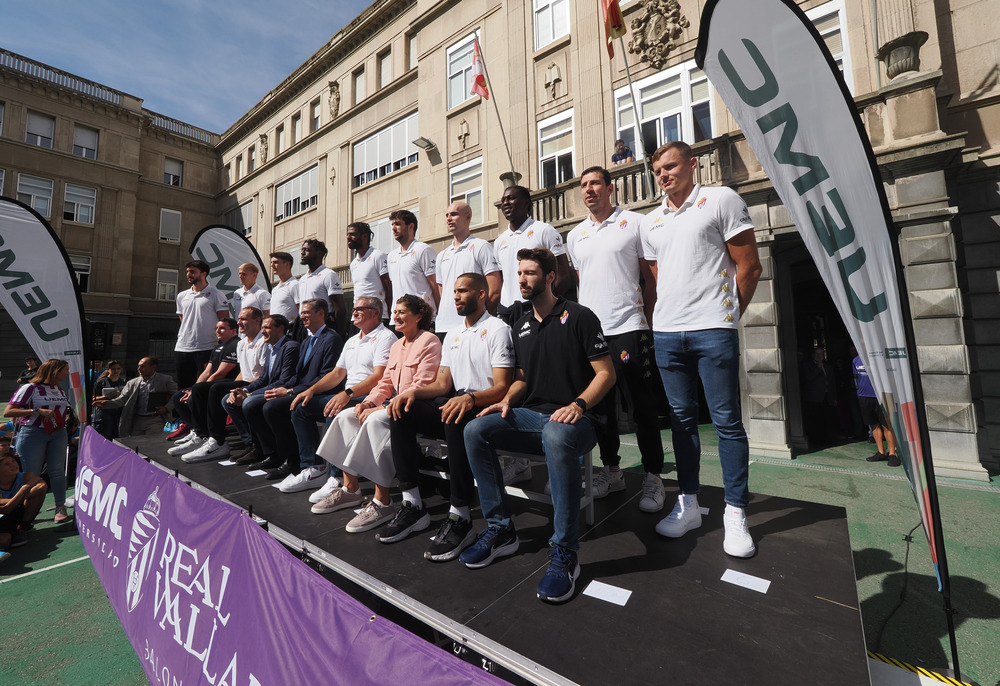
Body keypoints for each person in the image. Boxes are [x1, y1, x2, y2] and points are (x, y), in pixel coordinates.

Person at [461, 248, 615, 604]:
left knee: (557, 432)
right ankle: (501, 530)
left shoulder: (579, 316)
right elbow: (522, 379)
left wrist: (578, 405)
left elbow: (606, 374)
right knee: (475, 430)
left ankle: (565, 552)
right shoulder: (521, 324)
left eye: (530, 273)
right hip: (534, 415)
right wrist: (507, 400)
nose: (522, 280)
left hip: (580, 420)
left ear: (550, 277)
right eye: (519, 273)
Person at [641, 140, 762, 559]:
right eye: (658, 170)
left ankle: (735, 511)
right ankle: (688, 503)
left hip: (713, 329)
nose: (664, 175)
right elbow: (656, 282)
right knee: (681, 423)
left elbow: (750, 265)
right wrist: (658, 323)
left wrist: (729, 316)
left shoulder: (721, 199)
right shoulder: (650, 222)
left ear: (693, 165)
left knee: (727, 422)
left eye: (671, 166)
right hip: (667, 334)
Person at [385, 272, 514, 560]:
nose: (455, 296)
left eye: (463, 291)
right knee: (401, 411)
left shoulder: (497, 329)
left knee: (454, 416)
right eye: (454, 291)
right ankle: (412, 504)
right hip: (458, 401)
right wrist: (412, 394)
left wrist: (468, 399)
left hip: (484, 405)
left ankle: (460, 515)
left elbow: (502, 386)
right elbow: (443, 384)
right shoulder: (453, 334)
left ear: (481, 294)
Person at [567, 166, 666, 512]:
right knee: (600, 409)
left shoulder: (635, 224)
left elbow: (650, 278)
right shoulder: (575, 235)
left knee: (641, 406)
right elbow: (583, 282)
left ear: (610, 188)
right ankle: (612, 471)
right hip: (592, 335)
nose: (588, 189)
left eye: (595, 183)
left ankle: (654, 476)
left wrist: (649, 322)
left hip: (629, 326)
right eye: (584, 185)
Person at [313, 295, 441, 536]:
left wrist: (380, 407)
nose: (396, 316)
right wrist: (370, 401)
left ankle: (382, 502)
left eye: (402, 312)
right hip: (392, 404)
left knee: (374, 419)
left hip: (415, 407)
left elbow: (422, 384)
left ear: (418, 316)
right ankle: (350, 489)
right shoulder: (396, 346)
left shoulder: (429, 341)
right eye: (395, 312)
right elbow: (384, 383)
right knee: (346, 416)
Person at [285, 296, 394, 495]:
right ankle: (314, 468)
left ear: (375, 313)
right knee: (301, 407)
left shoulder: (386, 337)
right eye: (354, 308)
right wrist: (311, 390)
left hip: (371, 398)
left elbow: (379, 376)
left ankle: (337, 477)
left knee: (334, 410)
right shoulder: (352, 340)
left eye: (360, 308)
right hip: (349, 394)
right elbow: (337, 374)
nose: (354, 312)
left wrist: (347, 393)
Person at [243, 298, 342, 478]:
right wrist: (281, 389)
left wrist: (290, 392)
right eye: (301, 313)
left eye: (306, 313)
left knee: (272, 407)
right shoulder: (306, 341)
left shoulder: (331, 339)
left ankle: (293, 460)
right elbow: (296, 376)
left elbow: (326, 376)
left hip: (320, 392)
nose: (301, 317)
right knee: (258, 404)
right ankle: (274, 454)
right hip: (300, 390)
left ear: (321, 314)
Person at [224, 314, 300, 466]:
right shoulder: (270, 348)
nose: (263, 331)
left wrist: (249, 394)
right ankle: (253, 445)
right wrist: (243, 389)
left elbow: (284, 381)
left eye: (267, 327)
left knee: (250, 403)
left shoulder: (290, 347)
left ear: (281, 329)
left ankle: (273, 451)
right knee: (227, 400)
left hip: (283, 391)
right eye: (263, 327)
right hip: (269, 389)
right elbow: (264, 378)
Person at [4, 359, 73, 524]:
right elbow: (9, 411)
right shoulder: (30, 388)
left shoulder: (59, 389)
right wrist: (36, 411)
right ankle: (24, 511)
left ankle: (60, 506)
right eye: (65, 370)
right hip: (33, 434)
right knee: (31, 475)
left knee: (57, 471)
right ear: (54, 371)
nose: (67, 373)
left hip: (58, 433)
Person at [166, 318, 241, 460]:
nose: (218, 331)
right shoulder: (218, 347)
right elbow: (207, 372)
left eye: (222, 328)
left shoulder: (235, 344)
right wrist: (193, 389)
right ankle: (197, 433)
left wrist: (197, 390)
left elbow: (220, 374)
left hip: (226, 384)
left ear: (233, 330)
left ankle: (209, 438)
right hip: (212, 384)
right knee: (178, 396)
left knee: (200, 393)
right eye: (217, 328)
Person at [494, 186, 571, 315]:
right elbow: (503, 281)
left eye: (511, 198)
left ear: (526, 203)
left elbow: (563, 277)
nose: (506, 203)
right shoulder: (499, 242)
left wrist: (542, 304)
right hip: (508, 315)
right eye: (503, 200)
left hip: (537, 313)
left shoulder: (544, 231)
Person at [433, 201, 501, 335]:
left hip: (472, 327)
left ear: (467, 217)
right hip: (443, 327)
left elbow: (495, 289)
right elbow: (442, 293)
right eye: (447, 215)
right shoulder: (442, 255)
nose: (449, 219)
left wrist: (479, 319)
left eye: (454, 214)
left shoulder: (481, 247)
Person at [175, 260, 230, 388]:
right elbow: (183, 319)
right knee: (183, 387)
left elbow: (224, 321)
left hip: (207, 348)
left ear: (203, 274)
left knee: (203, 387)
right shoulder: (181, 296)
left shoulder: (216, 294)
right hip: (182, 348)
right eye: (188, 272)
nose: (189, 274)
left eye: (193, 272)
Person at [92, 357, 177, 438]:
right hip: (137, 420)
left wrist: (166, 408)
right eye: (138, 366)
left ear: (153, 367)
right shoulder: (132, 383)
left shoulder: (165, 380)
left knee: (150, 444)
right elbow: (122, 399)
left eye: (143, 366)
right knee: (136, 445)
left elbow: (176, 396)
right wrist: (106, 403)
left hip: (155, 419)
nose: (139, 369)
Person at [386, 209, 439, 324]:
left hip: (420, 319)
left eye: (398, 224)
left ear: (411, 227)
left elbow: (435, 285)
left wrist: (439, 313)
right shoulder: (391, 256)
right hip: (396, 320)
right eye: (392, 225)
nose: (393, 228)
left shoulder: (423, 250)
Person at [853, 353, 900, 467]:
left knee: (887, 425)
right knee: (873, 424)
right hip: (865, 396)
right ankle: (881, 452)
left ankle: (893, 453)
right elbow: (856, 377)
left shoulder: (880, 358)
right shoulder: (855, 360)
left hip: (882, 395)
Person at [1, 452, 48, 558]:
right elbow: (6, 509)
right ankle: (11, 534)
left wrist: (15, 499)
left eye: (13, 461)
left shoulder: (25, 476)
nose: (13, 464)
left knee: (38, 493)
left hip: (18, 512)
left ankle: (21, 528)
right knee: (4, 541)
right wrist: (24, 489)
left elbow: (42, 486)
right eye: (7, 464)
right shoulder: (28, 482)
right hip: (3, 518)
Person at [298, 239, 347, 336]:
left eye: (307, 250)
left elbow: (340, 308)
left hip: (323, 328)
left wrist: (339, 334)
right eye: (302, 250)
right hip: (305, 329)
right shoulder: (303, 279)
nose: (302, 253)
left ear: (319, 253)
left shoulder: (328, 275)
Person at [347, 222, 392, 322]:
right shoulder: (353, 263)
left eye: (352, 234)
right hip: (356, 317)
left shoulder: (378, 256)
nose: (348, 237)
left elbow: (388, 286)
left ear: (365, 236)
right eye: (347, 234)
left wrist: (389, 312)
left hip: (377, 316)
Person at [91, 360, 126, 440]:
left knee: (116, 439)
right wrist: (107, 396)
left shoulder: (123, 382)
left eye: (118, 369)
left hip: (118, 415)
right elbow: (93, 398)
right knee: (104, 439)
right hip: (103, 415)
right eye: (113, 369)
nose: (116, 371)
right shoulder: (101, 382)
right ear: (108, 369)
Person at [268, 251, 300, 323]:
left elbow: (301, 308)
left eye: (276, 262)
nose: (272, 265)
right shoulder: (275, 289)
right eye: (271, 262)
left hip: (290, 330)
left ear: (287, 264)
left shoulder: (294, 285)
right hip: (275, 331)